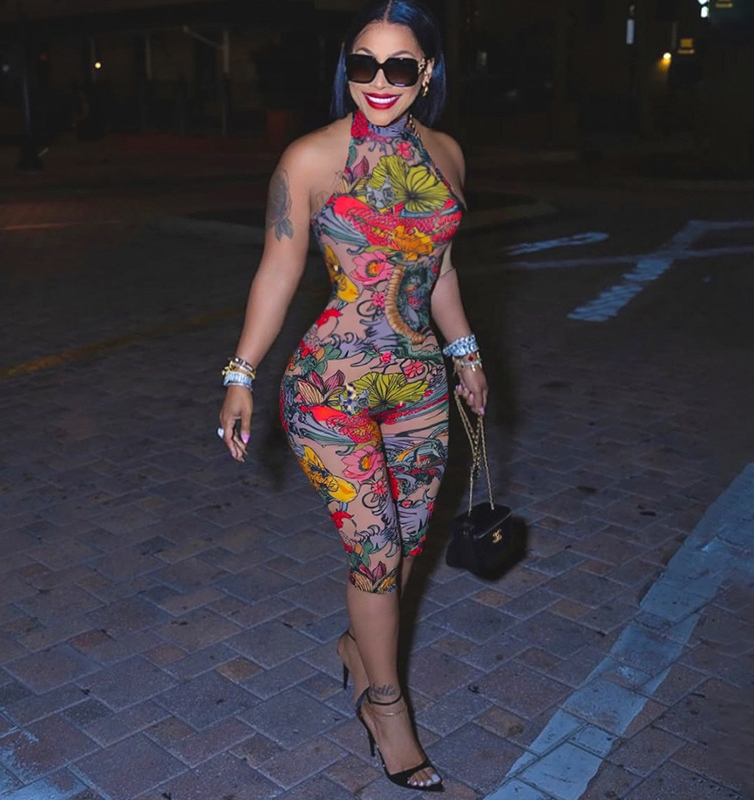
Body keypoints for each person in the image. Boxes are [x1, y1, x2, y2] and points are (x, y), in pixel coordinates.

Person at [219, 0, 488, 790]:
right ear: (347, 65)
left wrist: (466, 351)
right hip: (327, 388)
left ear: (426, 72)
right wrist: (240, 373)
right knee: (376, 553)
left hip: (420, 386)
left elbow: (439, 267)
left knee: (404, 551)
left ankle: (355, 646)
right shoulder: (310, 157)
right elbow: (278, 270)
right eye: (364, 63)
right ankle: (386, 707)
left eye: (400, 66)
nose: (379, 81)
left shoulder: (447, 154)